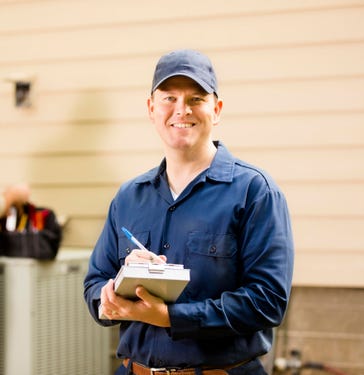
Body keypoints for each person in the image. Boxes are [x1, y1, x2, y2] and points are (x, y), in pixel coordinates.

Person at [84, 49, 294, 375]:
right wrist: (111, 294)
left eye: (196, 99)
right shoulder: (128, 197)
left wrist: (169, 317)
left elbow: (267, 301)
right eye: (169, 98)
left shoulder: (255, 191)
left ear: (217, 109)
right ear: (151, 108)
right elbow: (94, 284)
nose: (182, 110)